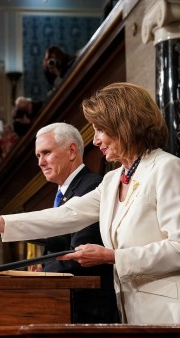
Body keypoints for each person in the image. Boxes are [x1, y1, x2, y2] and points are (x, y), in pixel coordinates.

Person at [0, 82, 180, 325]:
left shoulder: (166, 168)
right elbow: (63, 216)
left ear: (125, 124)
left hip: (179, 314)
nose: (95, 141)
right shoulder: (113, 179)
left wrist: (113, 257)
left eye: (100, 130)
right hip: (136, 313)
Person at [31, 122, 118, 323]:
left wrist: (43, 274)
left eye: (46, 153)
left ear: (72, 151)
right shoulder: (63, 193)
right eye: (38, 156)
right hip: (68, 305)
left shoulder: (92, 187)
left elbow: (80, 255)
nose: (40, 162)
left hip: (89, 311)